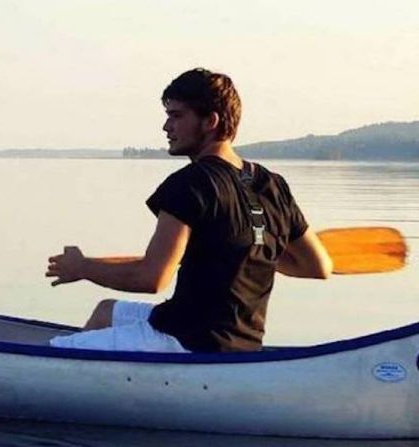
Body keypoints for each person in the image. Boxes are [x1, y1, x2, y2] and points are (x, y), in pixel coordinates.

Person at [46, 69, 331, 353]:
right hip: (243, 345)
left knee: (56, 352)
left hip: (183, 341)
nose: (166, 127)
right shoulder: (273, 185)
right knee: (106, 312)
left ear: (210, 121)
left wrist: (81, 268)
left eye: (176, 116)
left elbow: (152, 278)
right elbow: (318, 266)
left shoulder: (191, 183)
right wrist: (246, 254)